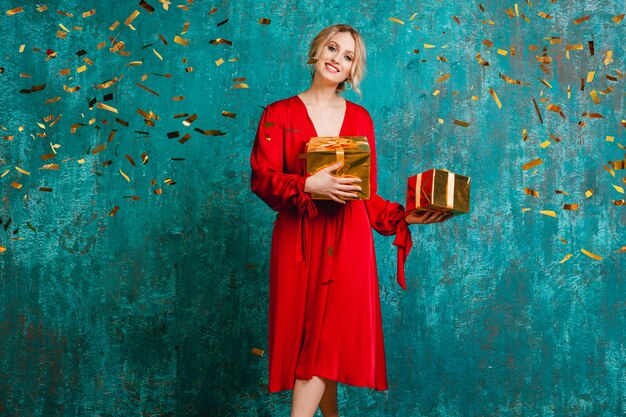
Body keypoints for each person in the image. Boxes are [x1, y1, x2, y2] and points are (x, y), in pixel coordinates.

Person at [250, 23, 451, 417]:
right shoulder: (278, 114)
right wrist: (309, 184)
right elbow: (262, 178)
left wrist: (407, 216)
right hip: (299, 242)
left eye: (348, 57)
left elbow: (367, 196)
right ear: (316, 50)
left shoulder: (360, 119)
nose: (336, 60)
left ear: (353, 70)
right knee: (313, 342)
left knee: (327, 342)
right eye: (332, 48)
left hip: (349, 243)